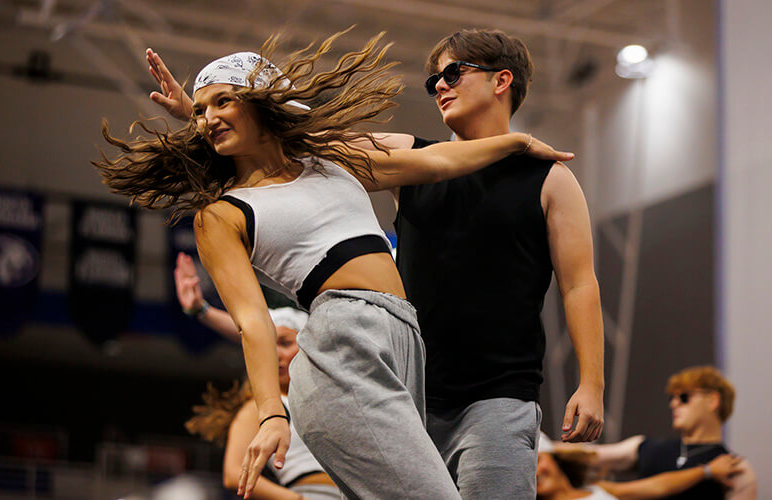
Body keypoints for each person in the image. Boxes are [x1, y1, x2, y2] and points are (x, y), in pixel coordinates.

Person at [95, 31, 572, 500]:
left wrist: (517, 144)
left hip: (406, 347)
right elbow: (254, 322)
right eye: (200, 111)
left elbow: (441, 161)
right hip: (341, 344)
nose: (208, 118)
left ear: (263, 102)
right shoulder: (223, 213)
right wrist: (270, 414)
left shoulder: (331, 163)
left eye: (222, 101)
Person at [186, 307, 341, 500]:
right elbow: (233, 474)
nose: (275, 355)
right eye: (268, 348)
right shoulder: (261, 409)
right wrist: (295, 499)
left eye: (284, 343)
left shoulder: (332, 398)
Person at [556, 366, 757, 499]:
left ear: (713, 400)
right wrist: (546, 448)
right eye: (672, 397)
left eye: (684, 397)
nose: (674, 403)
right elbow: (591, 456)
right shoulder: (645, 447)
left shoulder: (736, 469)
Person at [536, 433, 744, 500]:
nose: (535, 473)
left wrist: (707, 471)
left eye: (537, 462)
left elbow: (657, 486)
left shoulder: (595, 489)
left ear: (554, 458)